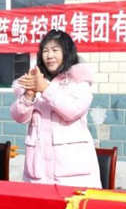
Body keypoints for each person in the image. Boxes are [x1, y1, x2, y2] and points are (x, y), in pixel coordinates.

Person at [10, 30, 101, 188]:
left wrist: (45, 88)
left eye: (55, 50)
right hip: (38, 173)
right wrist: (29, 95)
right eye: (45, 51)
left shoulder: (79, 81)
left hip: (72, 175)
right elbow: (19, 117)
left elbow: (71, 111)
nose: (49, 55)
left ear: (66, 52)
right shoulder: (36, 79)